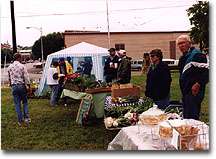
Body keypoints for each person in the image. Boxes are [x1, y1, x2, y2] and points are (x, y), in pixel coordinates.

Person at [176, 35, 209, 120]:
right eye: (179, 44)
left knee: (192, 118)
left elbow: (206, 72)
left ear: (189, 43)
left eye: (183, 43)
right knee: (186, 116)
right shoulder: (183, 58)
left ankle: (194, 132)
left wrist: (198, 84)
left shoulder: (197, 55)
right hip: (186, 91)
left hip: (194, 91)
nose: (181, 45)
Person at [8, 53, 31, 126]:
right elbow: (26, 77)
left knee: (17, 104)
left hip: (14, 86)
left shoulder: (10, 67)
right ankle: (26, 118)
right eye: (21, 58)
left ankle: (20, 121)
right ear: (18, 58)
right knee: (25, 102)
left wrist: (11, 84)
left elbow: (9, 77)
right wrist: (29, 85)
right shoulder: (22, 66)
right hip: (21, 85)